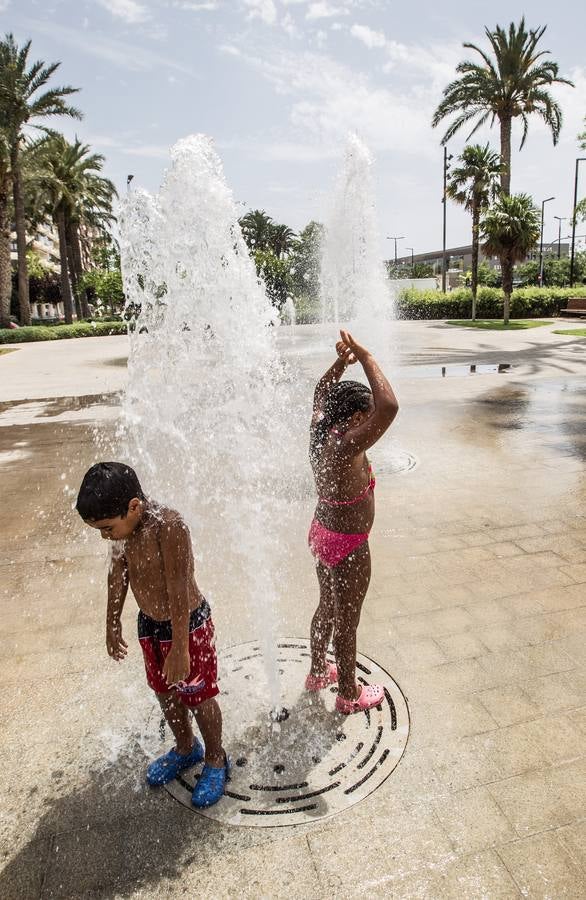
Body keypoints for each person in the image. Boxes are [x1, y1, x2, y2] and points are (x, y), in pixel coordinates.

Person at [76, 462, 228, 807]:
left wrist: (180, 648)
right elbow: (117, 574)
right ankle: (186, 748)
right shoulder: (122, 531)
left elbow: (177, 588)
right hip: (150, 626)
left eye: (107, 528)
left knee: (198, 696)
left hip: (187, 625)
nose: (106, 536)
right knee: (164, 692)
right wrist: (111, 621)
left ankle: (216, 758)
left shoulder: (169, 526)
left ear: (134, 506)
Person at [306, 330, 399, 714]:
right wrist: (365, 356)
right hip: (348, 544)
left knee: (327, 605)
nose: (369, 422)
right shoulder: (346, 446)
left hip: (322, 532)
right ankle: (348, 693)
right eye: (365, 416)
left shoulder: (319, 430)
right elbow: (389, 406)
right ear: (357, 417)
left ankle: (317, 671)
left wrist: (338, 366)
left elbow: (319, 391)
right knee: (348, 620)